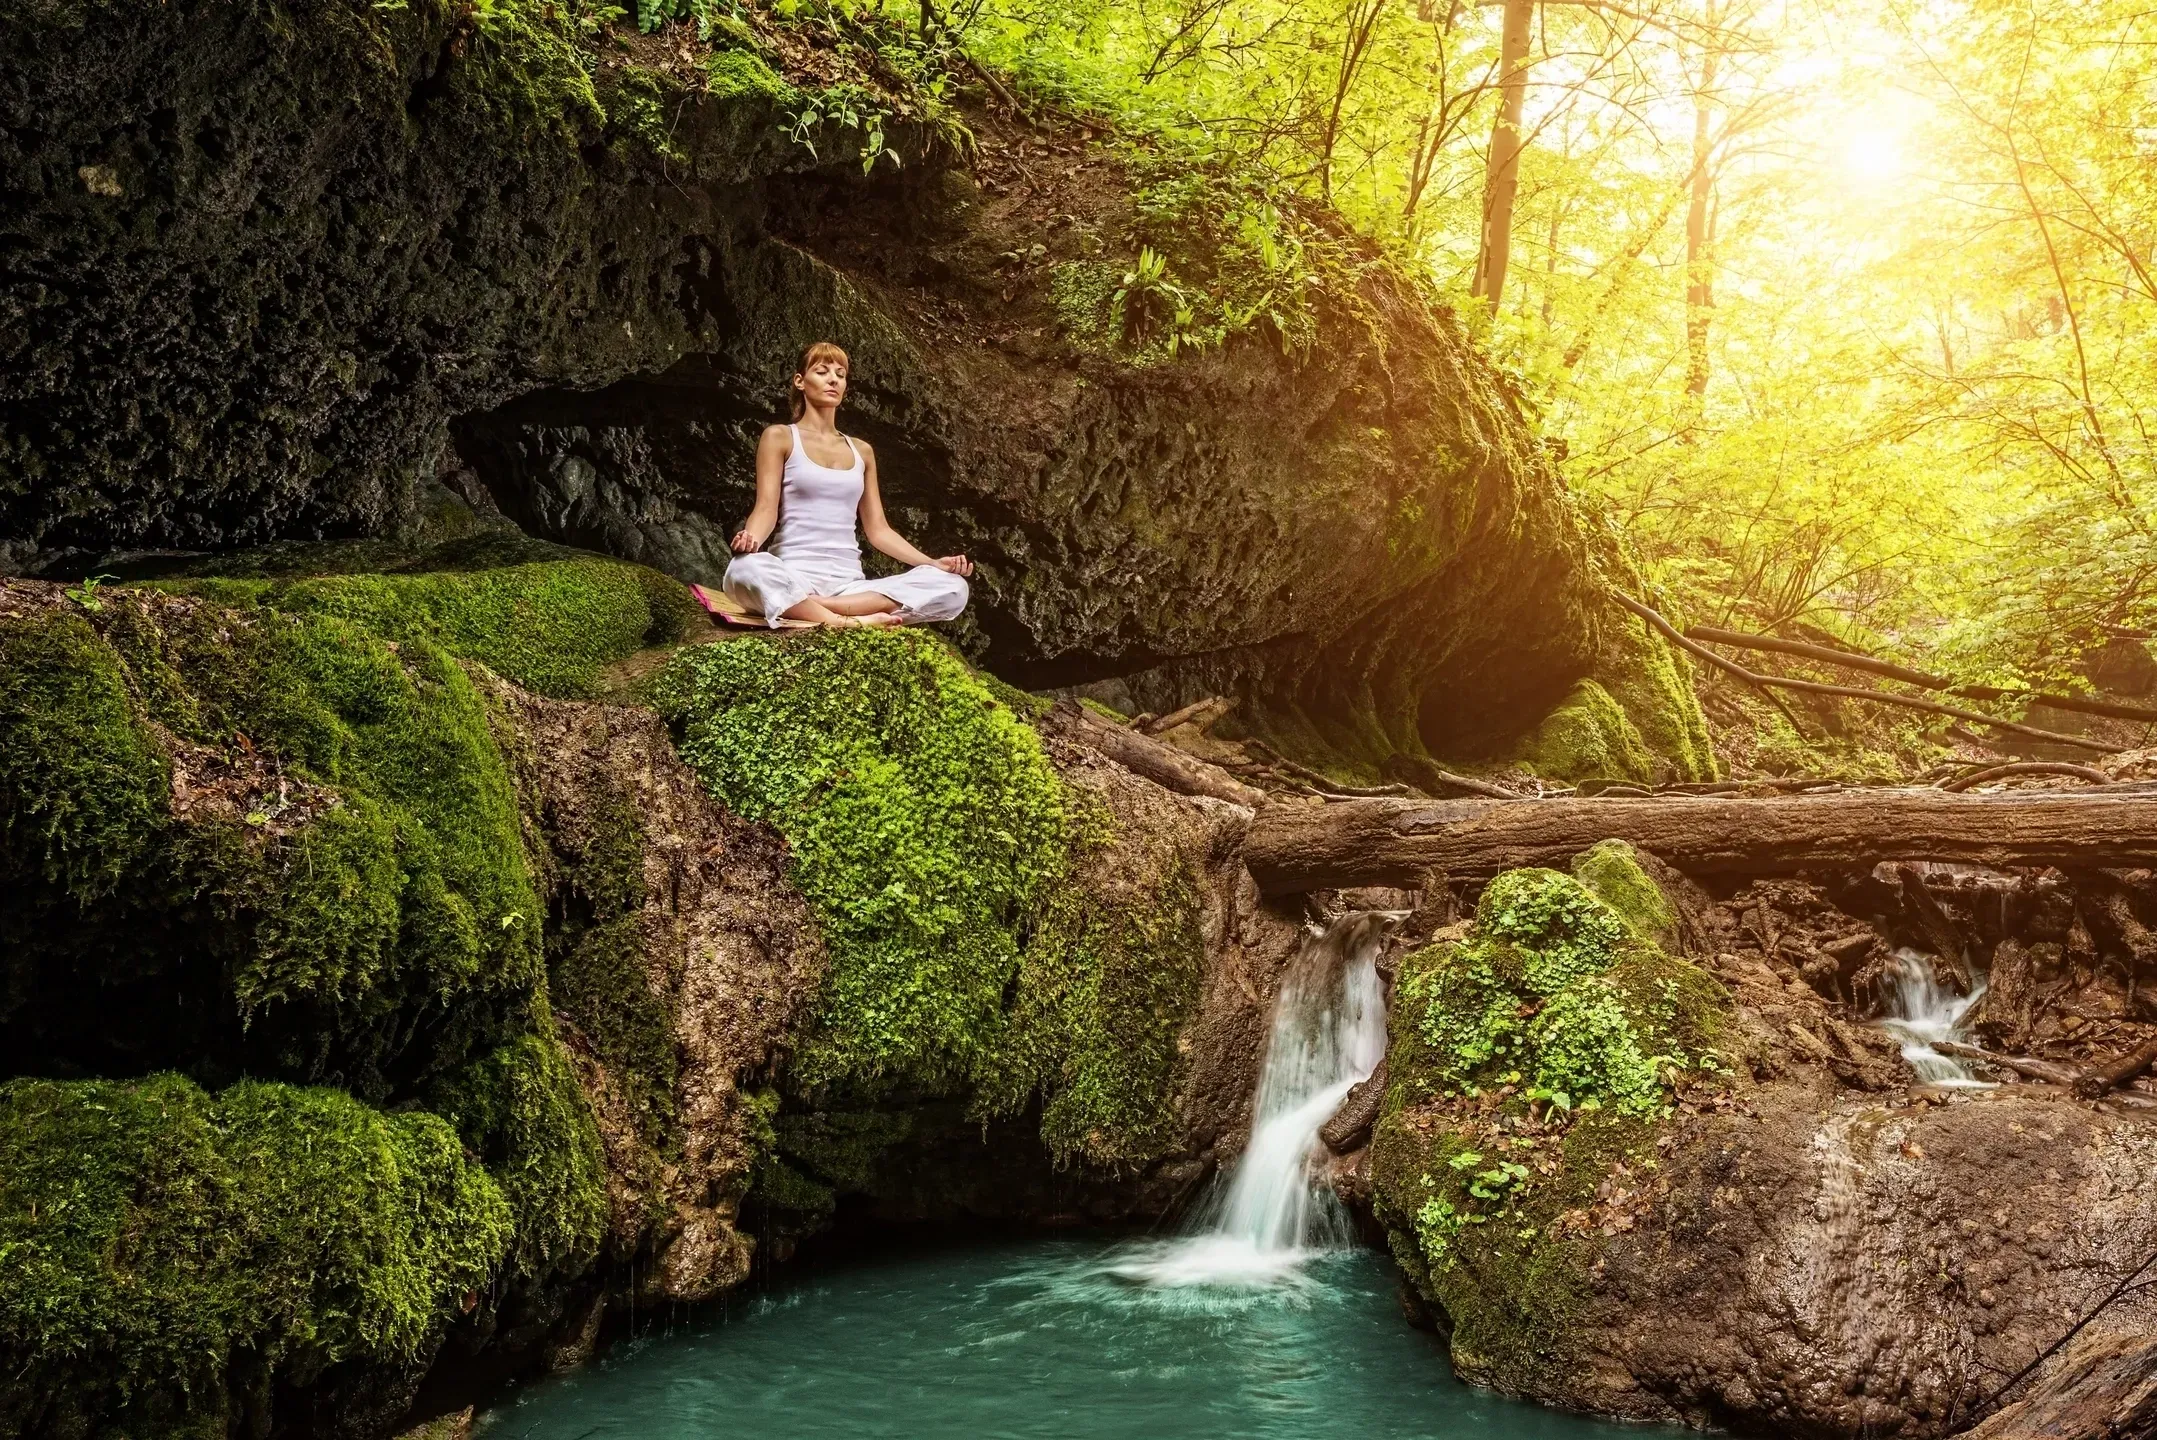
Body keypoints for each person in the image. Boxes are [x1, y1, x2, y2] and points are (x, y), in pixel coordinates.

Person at [722, 342, 972, 629]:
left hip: (848, 585)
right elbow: (766, 509)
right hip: (793, 572)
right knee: (744, 569)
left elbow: (879, 530)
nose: (833, 380)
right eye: (822, 371)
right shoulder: (779, 437)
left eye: (840, 374)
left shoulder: (862, 451)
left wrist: (930, 563)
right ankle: (848, 622)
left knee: (954, 588)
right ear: (800, 381)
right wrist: (750, 538)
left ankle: (807, 606)